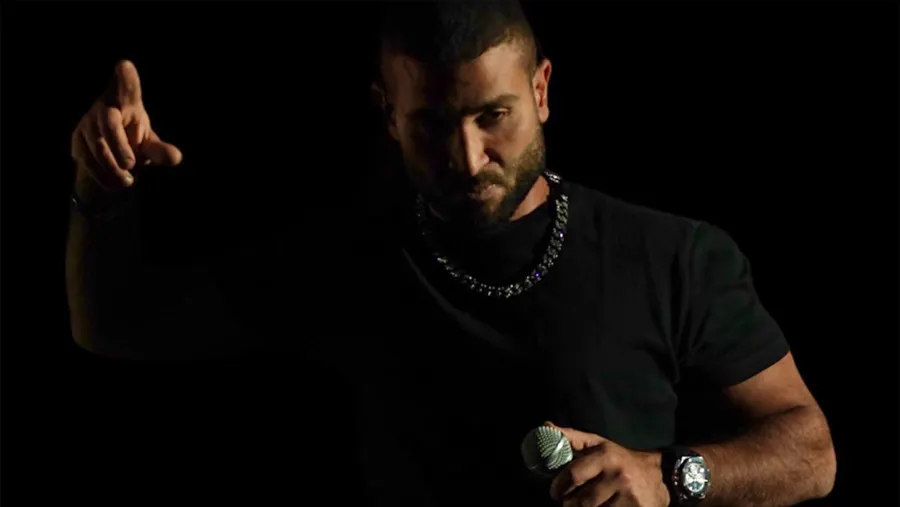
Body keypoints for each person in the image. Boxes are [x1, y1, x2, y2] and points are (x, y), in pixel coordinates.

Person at [66, 1, 836, 506]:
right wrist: (101, 192)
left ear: (541, 91)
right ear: (387, 113)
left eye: (493, 115)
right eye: (433, 124)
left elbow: (811, 452)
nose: (468, 158)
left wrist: (668, 478)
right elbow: (115, 324)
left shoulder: (673, 255)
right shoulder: (349, 261)